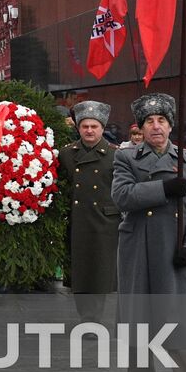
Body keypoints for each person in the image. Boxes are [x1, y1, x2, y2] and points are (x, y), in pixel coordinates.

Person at [112, 93, 186, 372]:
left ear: (171, 126)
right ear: (141, 128)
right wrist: (163, 189)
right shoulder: (126, 158)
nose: (156, 127)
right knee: (139, 323)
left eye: (162, 121)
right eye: (150, 122)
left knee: (179, 323)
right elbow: (121, 196)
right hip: (138, 250)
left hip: (174, 252)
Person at [60, 100, 118, 323]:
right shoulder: (67, 154)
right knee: (80, 270)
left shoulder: (115, 155)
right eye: (85, 126)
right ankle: (86, 316)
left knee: (100, 271)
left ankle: (94, 317)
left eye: (94, 126)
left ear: (102, 128)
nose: (89, 130)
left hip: (104, 222)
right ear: (78, 128)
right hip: (78, 219)